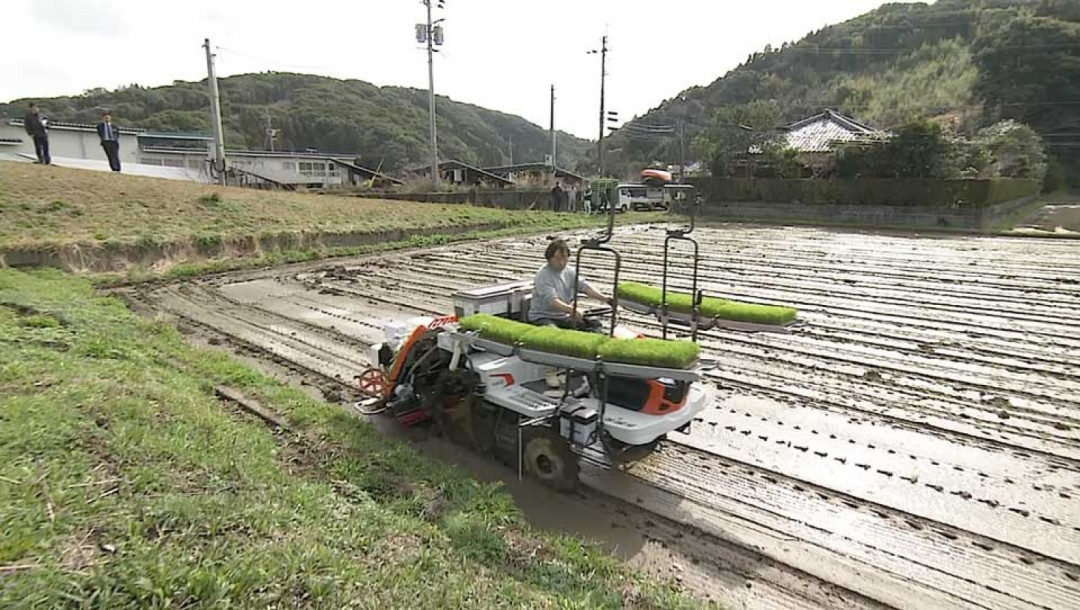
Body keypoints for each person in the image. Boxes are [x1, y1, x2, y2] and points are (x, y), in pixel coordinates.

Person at [529, 238, 613, 331]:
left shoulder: (569, 272)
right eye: (557, 259)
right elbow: (552, 301)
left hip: (563, 316)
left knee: (594, 324)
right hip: (544, 316)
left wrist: (606, 299)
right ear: (549, 258)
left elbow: (585, 287)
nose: (561, 262)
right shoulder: (543, 275)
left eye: (564, 258)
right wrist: (572, 310)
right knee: (554, 334)